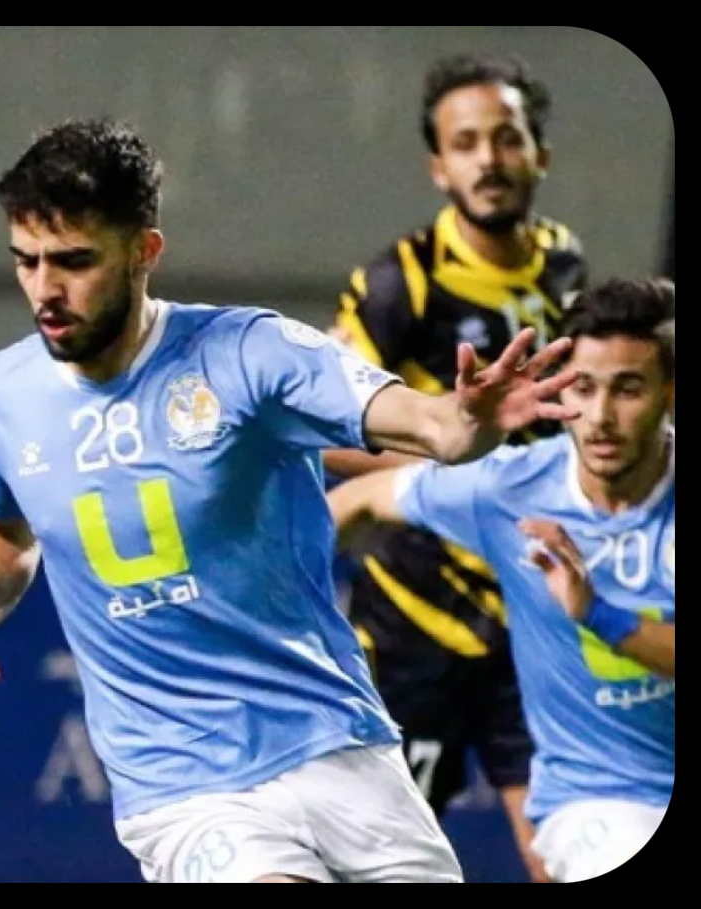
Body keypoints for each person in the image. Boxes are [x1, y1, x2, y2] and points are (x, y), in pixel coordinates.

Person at [0, 117, 580, 883]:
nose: (45, 288)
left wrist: (467, 419)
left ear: (144, 251)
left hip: (338, 742)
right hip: (184, 785)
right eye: (27, 260)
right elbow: (5, 533)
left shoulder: (249, 353)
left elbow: (432, 425)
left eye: (74, 260)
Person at [323, 52, 587, 882]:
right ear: (439, 166)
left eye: (506, 138)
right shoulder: (400, 281)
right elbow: (321, 425)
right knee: (381, 866)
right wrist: (447, 445)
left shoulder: (565, 264)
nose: (488, 159)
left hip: (536, 611)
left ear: (539, 153)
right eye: (465, 143)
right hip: (416, 621)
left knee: (567, 853)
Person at [328, 277, 674, 883]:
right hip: (597, 798)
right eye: (583, 388)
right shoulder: (511, 487)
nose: (600, 417)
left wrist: (598, 613)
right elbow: (359, 500)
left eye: (627, 389)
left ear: (669, 392)